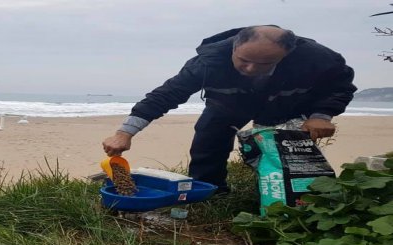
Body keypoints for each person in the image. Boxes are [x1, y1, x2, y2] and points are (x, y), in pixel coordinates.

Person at [102, 25, 357, 193]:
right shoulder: (207, 62)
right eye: (243, 60)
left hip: (283, 107)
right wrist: (125, 133)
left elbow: (341, 86)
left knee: (284, 156)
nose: (249, 69)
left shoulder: (318, 59)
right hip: (228, 105)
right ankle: (211, 193)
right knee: (207, 143)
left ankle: (289, 197)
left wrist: (321, 115)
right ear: (234, 46)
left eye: (264, 63)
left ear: (286, 55)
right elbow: (166, 95)